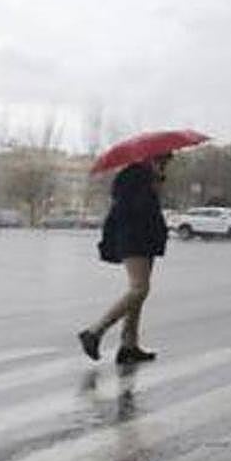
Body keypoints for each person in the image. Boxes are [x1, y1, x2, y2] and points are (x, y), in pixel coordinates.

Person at [78, 155, 171, 365]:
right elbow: (133, 208)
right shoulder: (133, 175)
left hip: (145, 239)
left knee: (139, 293)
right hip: (133, 238)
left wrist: (155, 183)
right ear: (155, 158)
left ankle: (129, 345)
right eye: (166, 159)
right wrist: (152, 186)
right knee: (139, 289)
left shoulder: (147, 176)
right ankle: (94, 332)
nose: (168, 163)